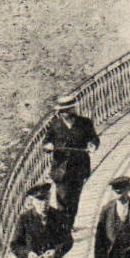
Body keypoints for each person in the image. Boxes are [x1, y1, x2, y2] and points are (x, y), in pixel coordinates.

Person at [43, 92, 99, 230]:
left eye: (69, 110)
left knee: (74, 199)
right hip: (60, 168)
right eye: (63, 111)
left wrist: (92, 145)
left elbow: (94, 139)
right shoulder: (54, 125)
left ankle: (69, 224)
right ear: (60, 112)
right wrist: (48, 146)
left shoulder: (84, 123)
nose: (66, 113)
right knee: (62, 198)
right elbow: (46, 142)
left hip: (79, 167)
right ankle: (63, 227)